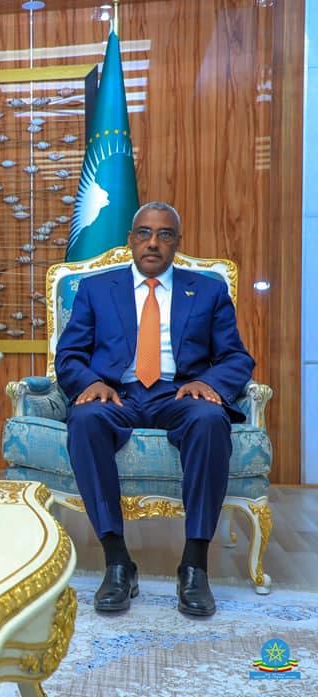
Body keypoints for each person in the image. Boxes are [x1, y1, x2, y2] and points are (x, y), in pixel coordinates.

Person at [55, 201, 254, 617]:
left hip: (179, 393)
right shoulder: (96, 289)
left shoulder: (207, 291)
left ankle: (194, 567)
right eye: (144, 233)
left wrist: (209, 383)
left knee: (210, 419)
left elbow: (236, 357)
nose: (153, 243)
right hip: (116, 393)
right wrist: (91, 383)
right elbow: (69, 354)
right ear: (130, 240)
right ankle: (118, 563)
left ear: (176, 243)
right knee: (86, 419)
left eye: (164, 235)